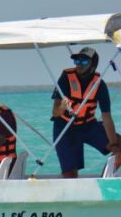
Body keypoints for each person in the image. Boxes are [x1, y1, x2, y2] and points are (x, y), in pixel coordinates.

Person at [51, 46, 121, 178]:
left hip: (88, 126)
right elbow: (55, 112)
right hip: (65, 127)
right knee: (70, 174)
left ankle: (104, 180)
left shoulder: (99, 84)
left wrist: (113, 143)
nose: (79, 65)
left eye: (84, 62)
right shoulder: (66, 78)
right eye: (77, 61)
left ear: (93, 65)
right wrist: (62, 108)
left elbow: (106, 116)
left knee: (120, 147)